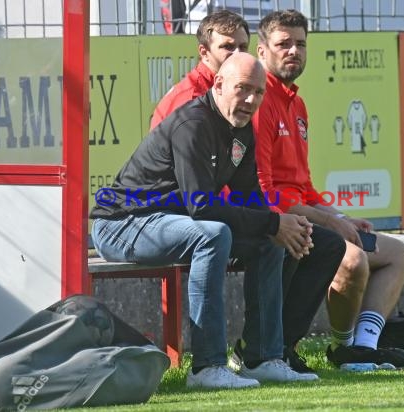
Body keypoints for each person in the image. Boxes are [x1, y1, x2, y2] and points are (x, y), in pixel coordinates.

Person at [90, 52, 319, 389]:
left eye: (258, 92)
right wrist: (273, 224)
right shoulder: (193, 124)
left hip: (169, 223)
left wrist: (280, 225)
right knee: (214, 234)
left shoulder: (241, 130)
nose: (251, 100)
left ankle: (262, 358)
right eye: (243, 89)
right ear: (219, 84)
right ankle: (207, 366)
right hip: (123, 224)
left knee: (270, 242)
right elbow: (202, 207)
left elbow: (250, 199)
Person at [252, 10, 404, 369]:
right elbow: (265, 193)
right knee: (353, 259)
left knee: (398, 253)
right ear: (262, 51)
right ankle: (343, 348)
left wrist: (341, 216)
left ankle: (363, 347)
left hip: (307, 217)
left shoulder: (298, 104)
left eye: (301, 44)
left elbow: (304, 184)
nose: (293, 51)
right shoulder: (259, 103)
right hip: (279, 222)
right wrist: (329, 221)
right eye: (283, 44)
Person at [150, 10, 250, 130]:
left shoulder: (227, 86)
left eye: (243, 47)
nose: (238, 53)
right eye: (227, 47)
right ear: (204, 52)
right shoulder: (193, 99)